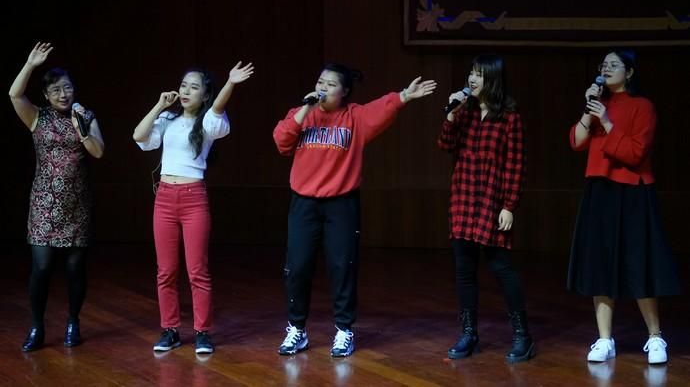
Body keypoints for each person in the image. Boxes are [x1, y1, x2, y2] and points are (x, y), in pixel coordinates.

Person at [273, 63, 436, 357]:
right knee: (297, 267)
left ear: (345, 91)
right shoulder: (301, 114)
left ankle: (344, 330)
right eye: (320, 81)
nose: (323, 87)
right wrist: (304, 110)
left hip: (341, 204)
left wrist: (404, 96)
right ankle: (297, 329)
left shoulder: (354, 117)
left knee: (341, 267)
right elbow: (281, 140)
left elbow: (381, 109)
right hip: (304, 204)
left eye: (331, 84)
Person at [567, 49, 680, 364]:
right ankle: (605, 339)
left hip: (632, 192)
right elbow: (576, 141)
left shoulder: (642, 106)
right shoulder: (598, 105)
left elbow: (635, 153)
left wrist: (606, 120)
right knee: (600, 264)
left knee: (639, 262)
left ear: (629, 72)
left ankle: (655, 337)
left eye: (614, 65)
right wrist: (591, 113)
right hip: (599, 190)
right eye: (603, 64)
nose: (606, 69)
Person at [133, 61, 254, 354]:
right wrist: (159, 106)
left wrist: (230, 83)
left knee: (197, 270)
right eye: (184, 85)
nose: (186, 90)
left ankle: (202, 332)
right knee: (166, 271)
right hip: (164, 197)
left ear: (204, 95)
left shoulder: (209, 124)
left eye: (194, 87)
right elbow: (139, 136)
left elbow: (216, 109)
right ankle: (170, 329)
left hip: (193, 197)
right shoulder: (167, 120)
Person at [9, 42, 105, 352]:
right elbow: (13, 94)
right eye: (56, 91)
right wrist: (29, 64)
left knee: (76, 269)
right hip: (44, 206)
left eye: (67, 88)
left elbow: (98, 152)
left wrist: (82, 130)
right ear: (47, 96)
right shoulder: (37, 117)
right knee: (42, 268)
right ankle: (37, 326)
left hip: (76, 205)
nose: (64, 94)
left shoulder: (86, 116)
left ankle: (73, 321)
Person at [438, 54, 534, 363]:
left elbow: (516, 165)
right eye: (471, 72)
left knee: (501, 268)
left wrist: (509, 206)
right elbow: (444, 145)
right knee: (464, 271)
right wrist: (451, 115)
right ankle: (469, 333)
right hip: (463, 199)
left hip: (492, 202)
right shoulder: (463, 111)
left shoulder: (509, 117)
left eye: (479, 74)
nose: (472, 78)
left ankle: (523, 336)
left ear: (492, 79)